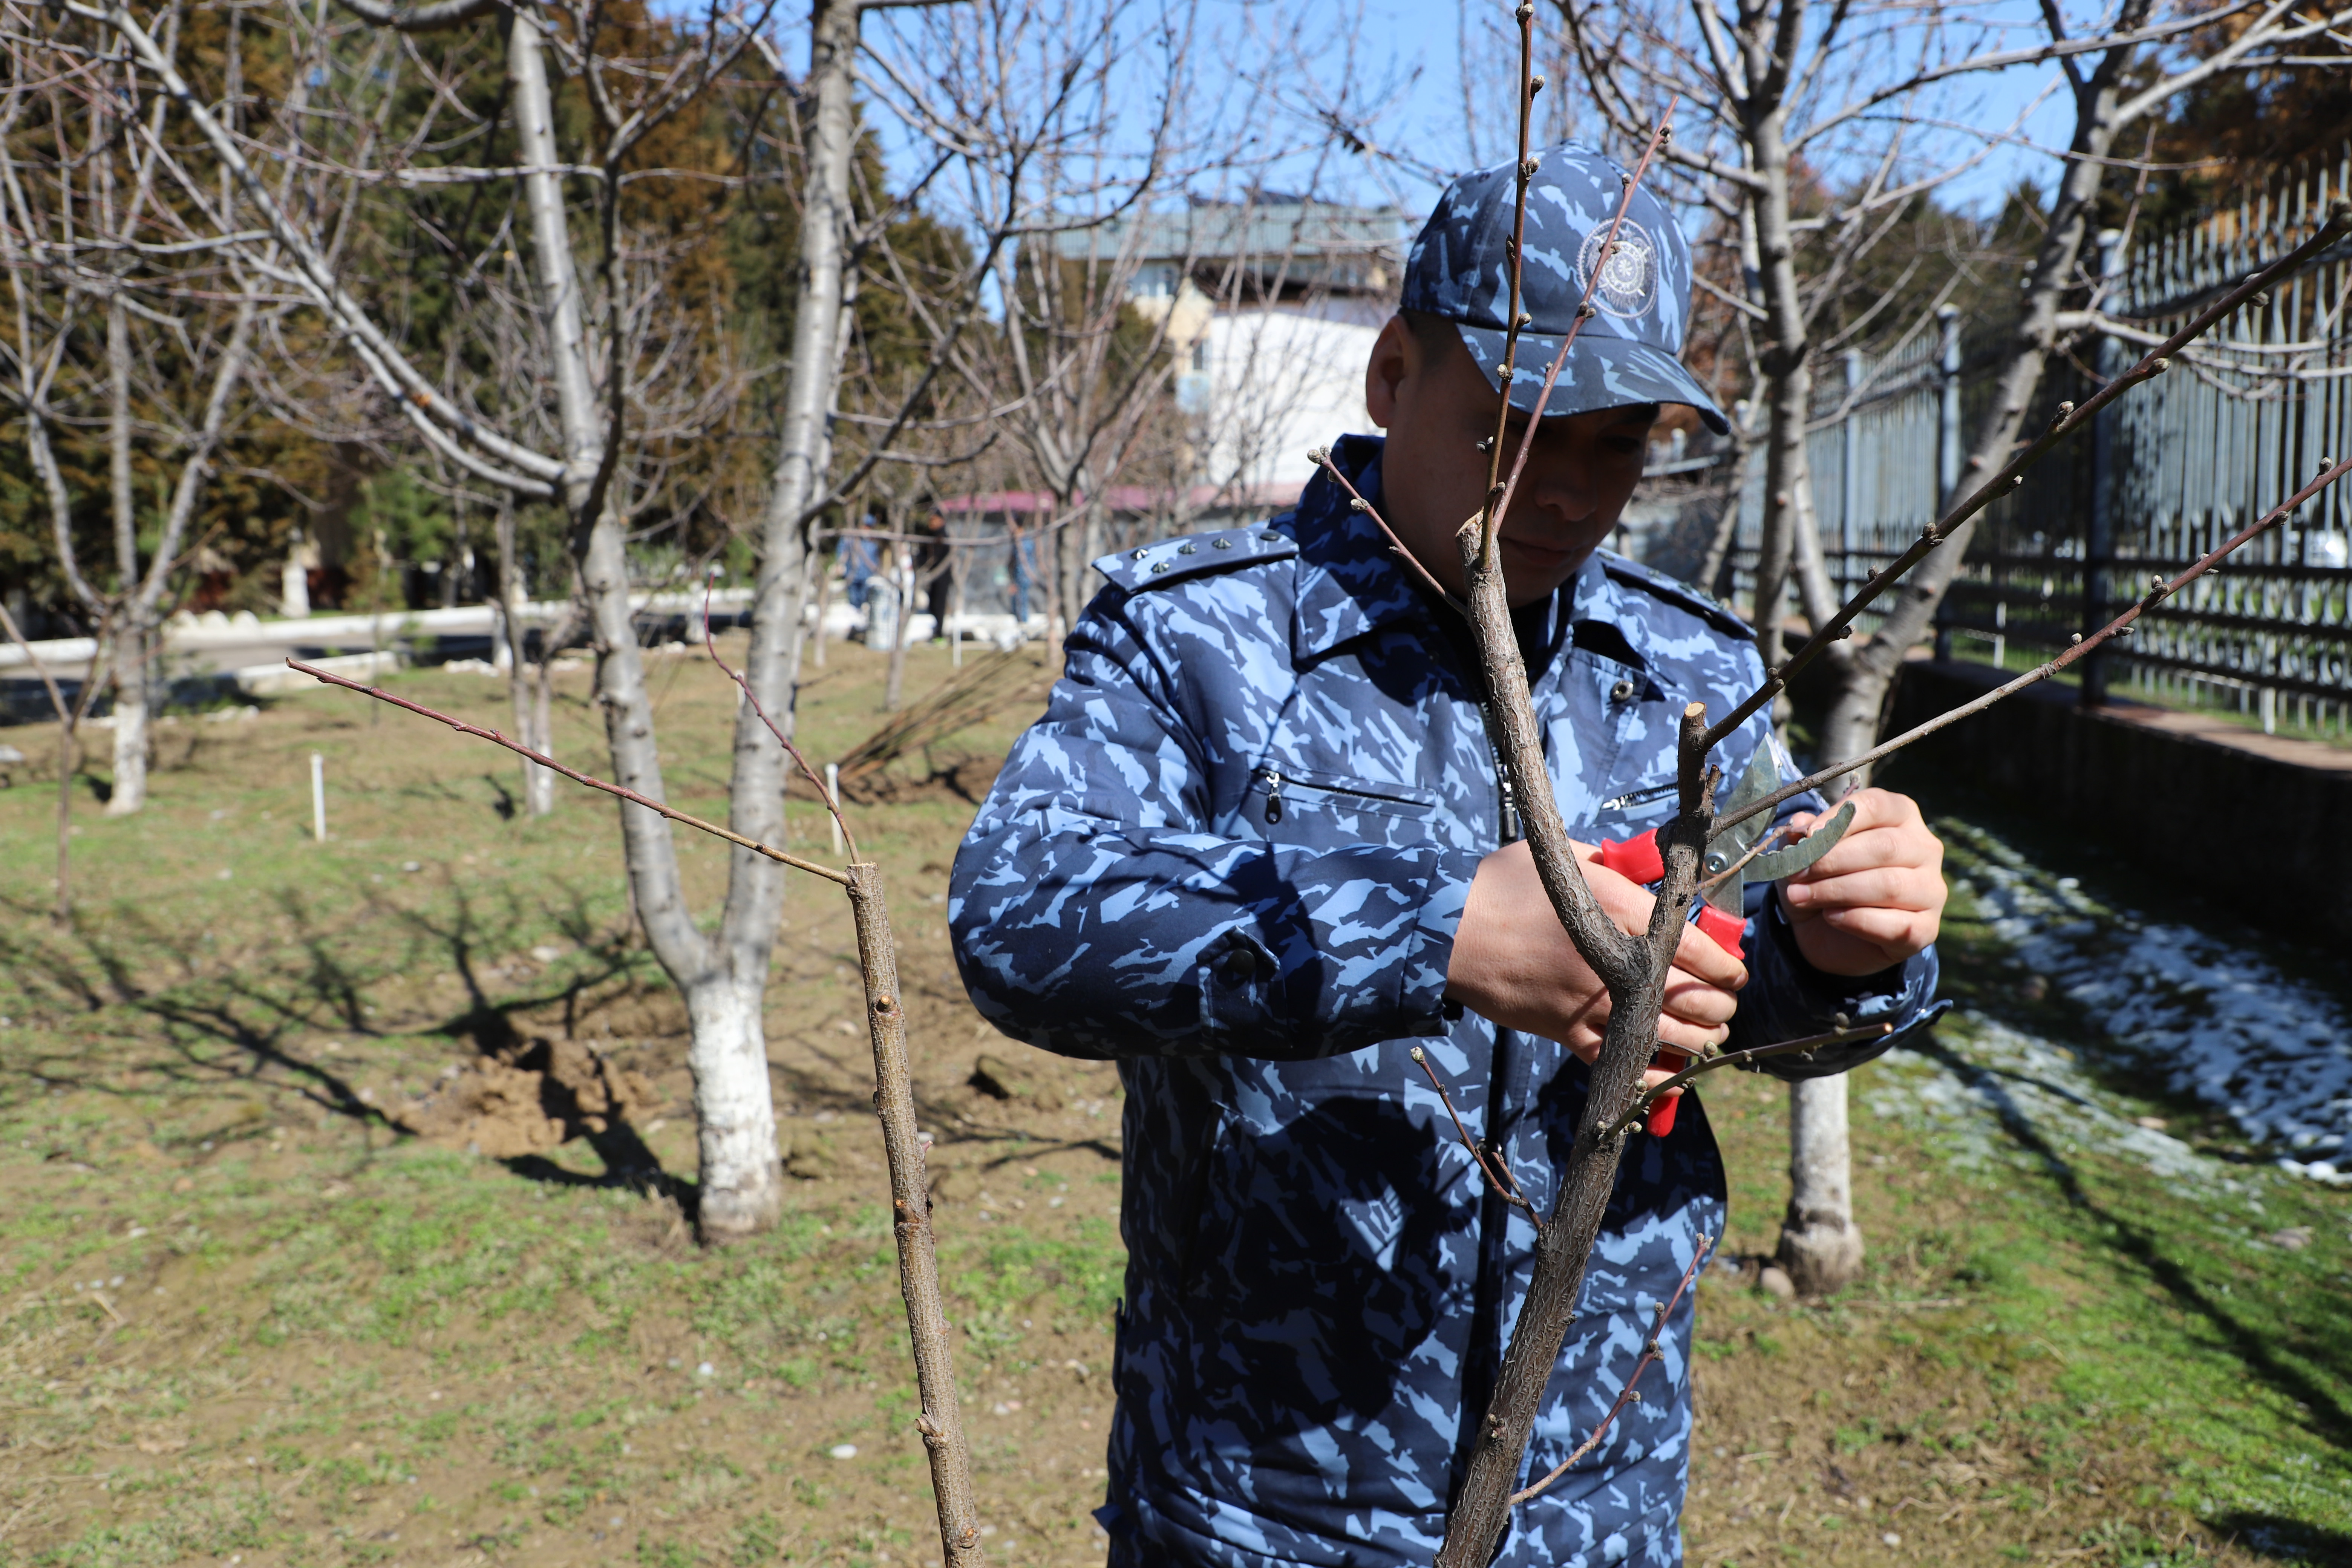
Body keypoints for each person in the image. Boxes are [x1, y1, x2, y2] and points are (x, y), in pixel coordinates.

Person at [949, 144, 1949, 1568]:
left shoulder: (1679, 668)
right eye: (1516, 425)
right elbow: (1020, 920)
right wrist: (1434, 932)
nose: (1566, 491)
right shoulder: (1203, 640)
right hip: (1262, 1506)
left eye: (1617, 442)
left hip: (1587, 1501)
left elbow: (1750, 1002)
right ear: (1392, 374)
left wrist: (1845, 954)